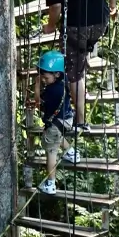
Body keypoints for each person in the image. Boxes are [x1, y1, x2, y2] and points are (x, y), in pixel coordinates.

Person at [34, 0, 119, 132]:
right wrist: (113, 7)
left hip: (75, 28)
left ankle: (80, 122)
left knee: (73, 74)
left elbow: (55, 7)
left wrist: (50, 26)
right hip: (100, 23)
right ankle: (82, 63)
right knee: (81, 54)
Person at [35, 51, 81, 195]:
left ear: (56, 74)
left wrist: (36, 87)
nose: (43, 80)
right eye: (42, 77)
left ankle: (50, 184)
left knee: (51, 152)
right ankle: (72, 154)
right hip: (66, 120)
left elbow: (39, 103)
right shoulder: (64, 83)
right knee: (57, 137)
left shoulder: (52, 90)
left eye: (45, 77)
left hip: (56, 122)